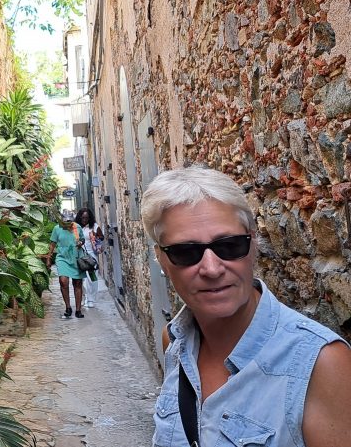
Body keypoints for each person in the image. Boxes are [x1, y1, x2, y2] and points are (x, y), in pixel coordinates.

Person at [142, 166, 351, 447]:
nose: (212, 268)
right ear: (162, 259)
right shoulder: (175, 342)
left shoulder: (321, 363)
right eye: (186, 252)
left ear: (253, 244)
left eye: (229, 246)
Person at [46, 210, 85, 319]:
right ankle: (68, 307)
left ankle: (78, 310)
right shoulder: (57, 228)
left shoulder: (77, 227)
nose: (68, 224)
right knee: (63, 281)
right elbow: (52, 244)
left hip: (76, 257)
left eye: (70, 222)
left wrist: (80, 243)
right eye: (66, 222)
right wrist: (48, 258)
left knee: (77, 283)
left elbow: (82, 240)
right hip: (62, 257)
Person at [75, 207, 103, 307]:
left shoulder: (94, 226)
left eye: (86, 218)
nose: (84, 220)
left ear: (89, 218)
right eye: (82, 217)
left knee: (92, 278)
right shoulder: (75, 227)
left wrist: (95, 238)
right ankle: (82, 297)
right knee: (79, 279)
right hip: (78, 255)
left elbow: (101, 237)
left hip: (91, 256)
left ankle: (91, 299)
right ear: (79, 217)